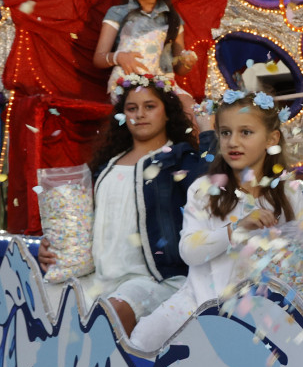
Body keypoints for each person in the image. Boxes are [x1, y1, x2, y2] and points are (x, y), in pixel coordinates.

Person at [127, 91, 303, 353]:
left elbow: (301, 259)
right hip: (198, 303)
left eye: (245, 132)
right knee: (143, 338)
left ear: (271, 138)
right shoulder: (204, 189)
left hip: (263, 312)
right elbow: (188, 251)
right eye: (225, 132)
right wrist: (236, 229)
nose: (233, 141)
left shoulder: (289, 192)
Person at [38, 74, 215, 336]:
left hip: (154, 280)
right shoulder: (105, 166)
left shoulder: (179, 159)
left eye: (150, 106)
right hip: (97, 278)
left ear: (168, 113)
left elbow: (213, 186)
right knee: (42, 307)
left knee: (107, 318)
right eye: (131, 108)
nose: (140, 114)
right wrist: (57, 246)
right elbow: (84, 222)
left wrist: (208, 132)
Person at [93, 0, 198, 117]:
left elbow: (179, 67)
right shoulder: (117, 13)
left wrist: (187, 61)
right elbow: (98, 59)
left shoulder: (173, 18)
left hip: (164, 83)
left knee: (195, 112)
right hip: (129, 83)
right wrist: (118, 57)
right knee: (150, 109)